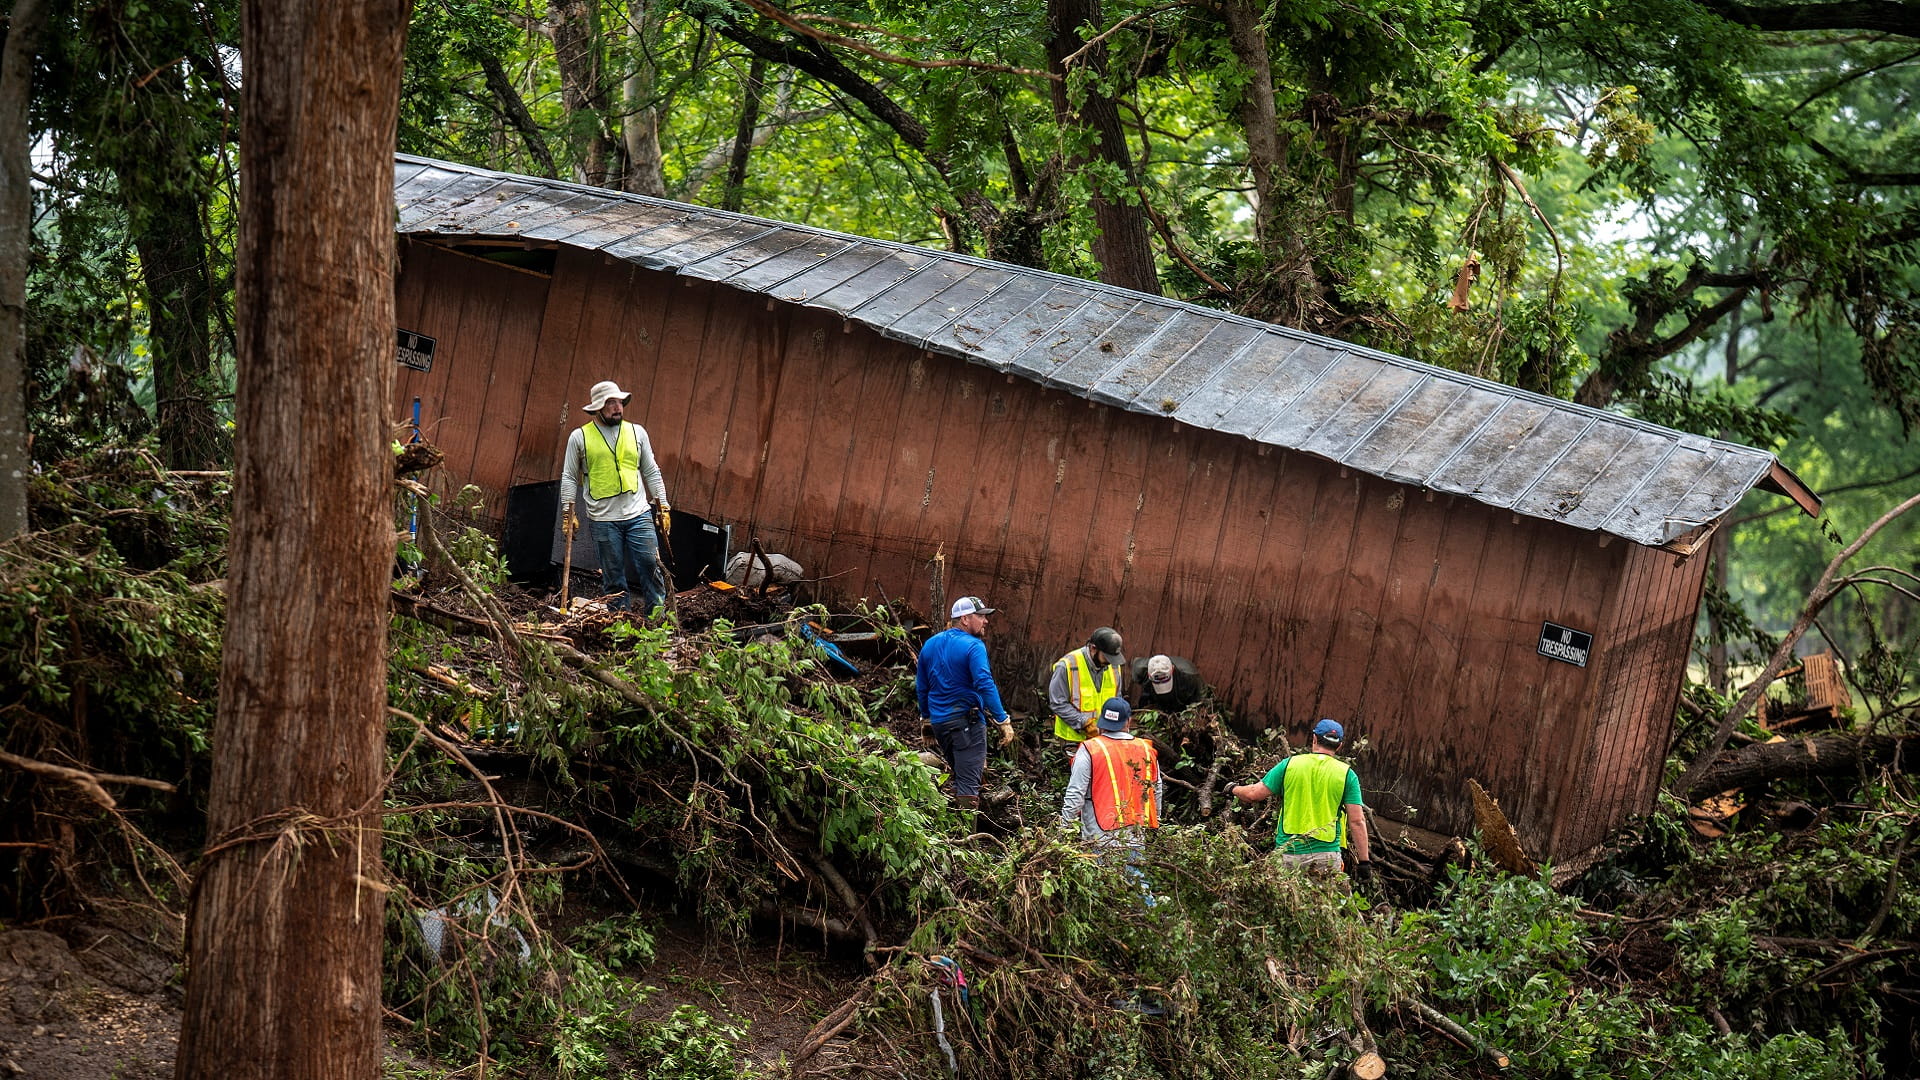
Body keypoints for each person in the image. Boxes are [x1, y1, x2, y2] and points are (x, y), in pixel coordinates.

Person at [559, 380, 671, 615]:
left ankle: (658, 621)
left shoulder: (637, 432)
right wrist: (569, 513)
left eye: (619, 402)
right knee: (613, 576)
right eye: (610, 403)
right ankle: (619, 623)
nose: (617, 407)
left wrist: (663, 505)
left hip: (638, 513)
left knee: (651, 565)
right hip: (603, 519)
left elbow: (651, 470)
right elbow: (569, 476)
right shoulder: (579, 438)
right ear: (598, 407)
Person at [1230, 718, 1373, 892]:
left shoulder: (1290, 765)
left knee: (1285, 912)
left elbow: (1253, 794)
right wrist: (1364, 862)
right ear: (1339, 746)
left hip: (1288, 854)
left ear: (1313, 739)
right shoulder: (1347, 775)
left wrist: (1233, 788)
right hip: (1326, 857)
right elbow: (1357, 821)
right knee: (1329, 912)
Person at [916, 596, 1016, 812]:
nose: (985, 621)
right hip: (966, 723)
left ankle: (952, 826)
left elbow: (922, 686)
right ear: (965, 619)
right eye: (980, 616)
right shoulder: (973, 646)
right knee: (968, 785)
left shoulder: (931, 644)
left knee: (962, 775)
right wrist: (1002, 720)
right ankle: (965, 839)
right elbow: (984, 682)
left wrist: (926, 721)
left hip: (942, 724)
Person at [1060, 697, 1162, 850]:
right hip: (1135, 838)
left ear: (1101, 722)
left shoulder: (1090, 749)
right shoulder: (1146, 749)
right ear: (1128, 722)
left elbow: (1075, 794)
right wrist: (1156, 822)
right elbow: (1156, 790)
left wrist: (1062, 832)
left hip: (1098, 839)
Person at [1048, 627, 1125, 743]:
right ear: (1093, 648)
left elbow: (1117, 700)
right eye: (1107, 657)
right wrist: (1085, 723)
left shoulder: (1113, 666)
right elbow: (1057, 703)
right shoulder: (1067, 666)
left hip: (1104, 739)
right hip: (1072, 740)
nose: (1109, 662)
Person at [1128, 654, 1207, 712]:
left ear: (1172, 669)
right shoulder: (1140, 670)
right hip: (1153, 696)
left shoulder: (1190, 676)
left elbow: (1200, 700)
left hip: (1181, 700)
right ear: (1149, 674)